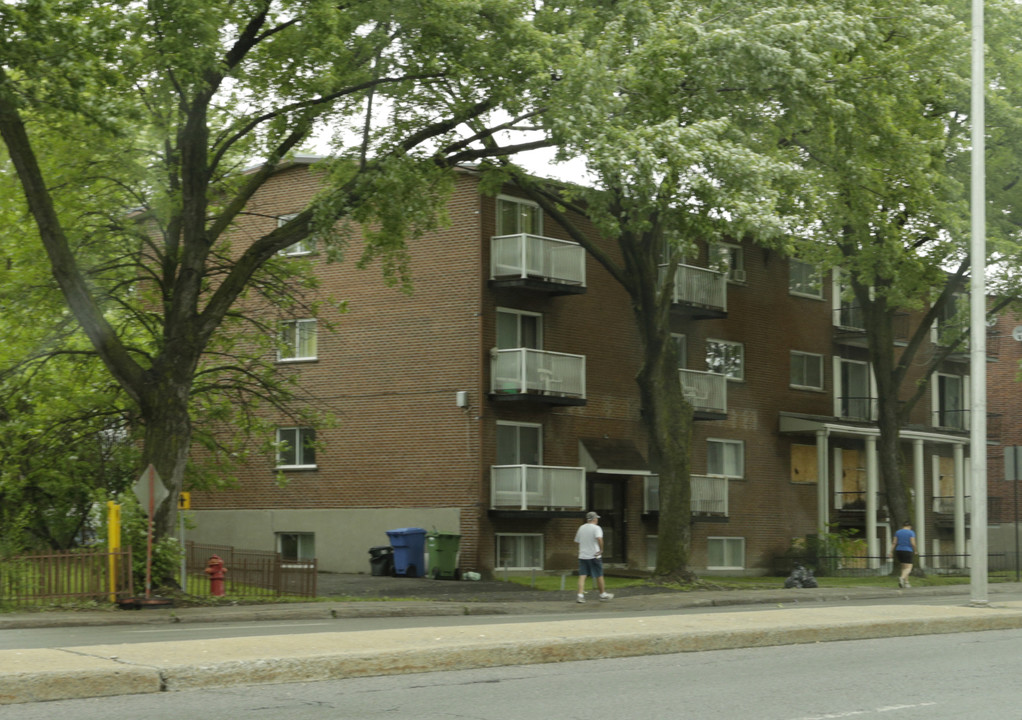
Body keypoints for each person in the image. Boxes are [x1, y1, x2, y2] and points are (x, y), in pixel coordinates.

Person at [574, 511, 613, 603]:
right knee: (599, 575)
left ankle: (580, 596)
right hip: (594, 555)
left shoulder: (581, 528)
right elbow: (599, 539)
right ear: (594, 519)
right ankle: (602, 594)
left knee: (582, 575)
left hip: (583, 556)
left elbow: (577, 541)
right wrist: (601, 550)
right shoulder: (597, 528)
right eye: (597, 518)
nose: (597, 520)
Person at [892, 520, 916, 588]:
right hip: (907, 550)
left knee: (904, 567)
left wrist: (890, 552)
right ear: (910, 526)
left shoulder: (897, 532)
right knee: (909, 568)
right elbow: (913, 543)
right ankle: (902, 578)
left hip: (899, 550)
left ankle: (906, 583)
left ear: (903, 526)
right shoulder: (911, 532)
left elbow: (894, 543)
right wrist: (915, 550)